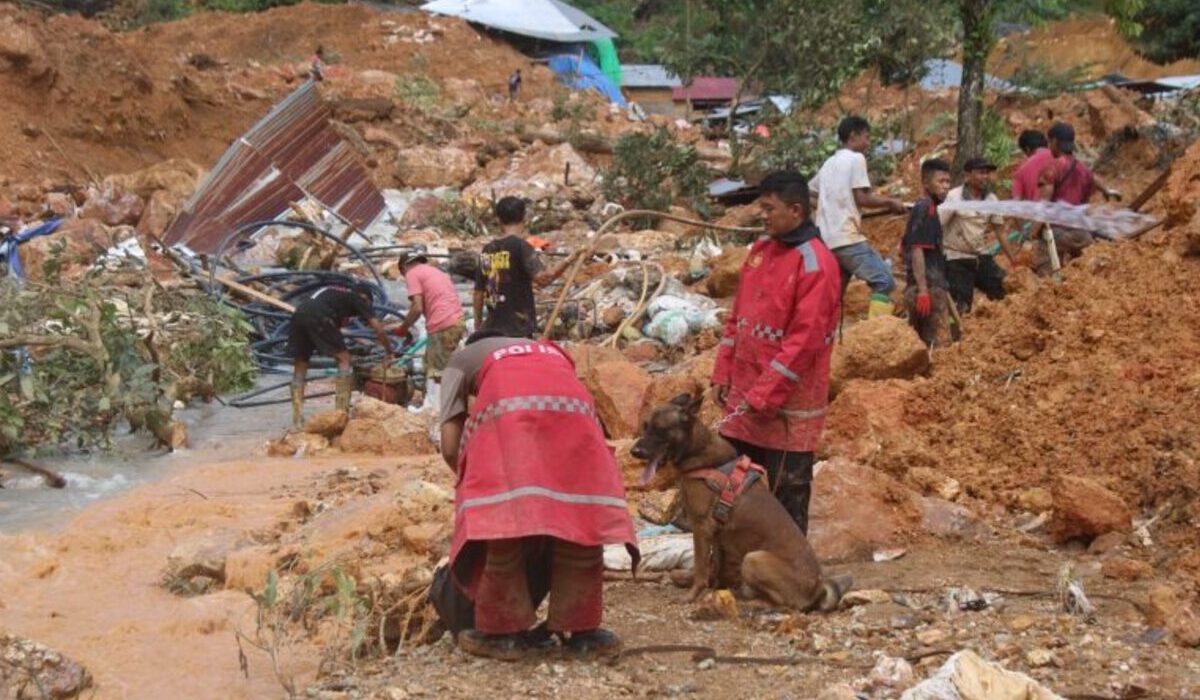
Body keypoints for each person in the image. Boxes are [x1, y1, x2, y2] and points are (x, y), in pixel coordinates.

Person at [438, 332, 637, 660]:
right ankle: (584, 633)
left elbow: (449, 444)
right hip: (577, 411)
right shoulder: (549, 351)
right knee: (579, 516)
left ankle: (502, 634)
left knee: (503, 519)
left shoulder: (459, 360)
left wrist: (473, 484)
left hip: (511, 409)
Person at [711, 171, 841, 535]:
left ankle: (792, 576)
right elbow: (737, 318)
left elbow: (805, 341)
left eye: (769, 208)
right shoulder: (759, 253)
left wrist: (764, 394)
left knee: (787, 495)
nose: (762, 216)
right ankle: (734, 569)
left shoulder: (816, 263)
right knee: (733, 490)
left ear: (796, 210)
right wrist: (723, 374)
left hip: (788, 408)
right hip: (745, 399)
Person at [809, 115, 907, 318]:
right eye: (867, 137)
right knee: (884, 281)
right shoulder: (856, 158)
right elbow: (861, 197)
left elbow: (809, 191)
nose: (869, 143)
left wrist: (827, 208)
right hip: (846, 238)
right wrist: (890, 202)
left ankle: (826, 337)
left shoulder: (829, 163)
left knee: (835, 293)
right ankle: (874, 336)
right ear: (853, 136)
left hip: (825, 240)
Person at [288, 282, 394, 428]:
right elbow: (379, 329)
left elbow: (334, 329)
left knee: (301, 363)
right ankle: (341, 414)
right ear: (365, 298)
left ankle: (297, 419)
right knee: (344, 359)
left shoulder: (333, 293)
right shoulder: (359, 299)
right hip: (319, 316)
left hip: (299, 315)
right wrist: (390, 350)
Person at [474, 196, 578, 338]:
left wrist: (478, 324)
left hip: (492, 329)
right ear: (524, 217)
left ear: (498, 219)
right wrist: (572, 258)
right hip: (518, 329)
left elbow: (478, 292)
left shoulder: (488, 249)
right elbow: (544, 279)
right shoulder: (522, 247)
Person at [940, 157, 1020, 314]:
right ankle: (959, 336)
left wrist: (1014, 261)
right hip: (957, 259)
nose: (985, 177)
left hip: (981, 257)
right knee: (961, 307)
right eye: (981, 173)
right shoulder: (954, 197)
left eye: (987, 173)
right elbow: (938, 224)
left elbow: (1000, 231)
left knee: (1005, 291)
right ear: (968, 176)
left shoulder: (991, 199)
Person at [392, 252, 466, 405]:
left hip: (442, 324)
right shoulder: (436, 272)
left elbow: (417, 308)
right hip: (456, 321)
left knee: (436, 373)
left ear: (404, 267)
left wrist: (403, 328)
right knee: (441, 365)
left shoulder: (411, 273)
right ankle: (448, 404)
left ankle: (437, 411)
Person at [902, 159, 954, 348]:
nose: (946, 187)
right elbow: (917, 250)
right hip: (927, 289)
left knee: (922, 342)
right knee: (934, 343)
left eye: (948, 182)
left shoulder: (930, 209)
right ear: (925, 183)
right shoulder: (925, 209)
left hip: (930, 286)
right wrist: (923, 290)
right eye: (941, 182)